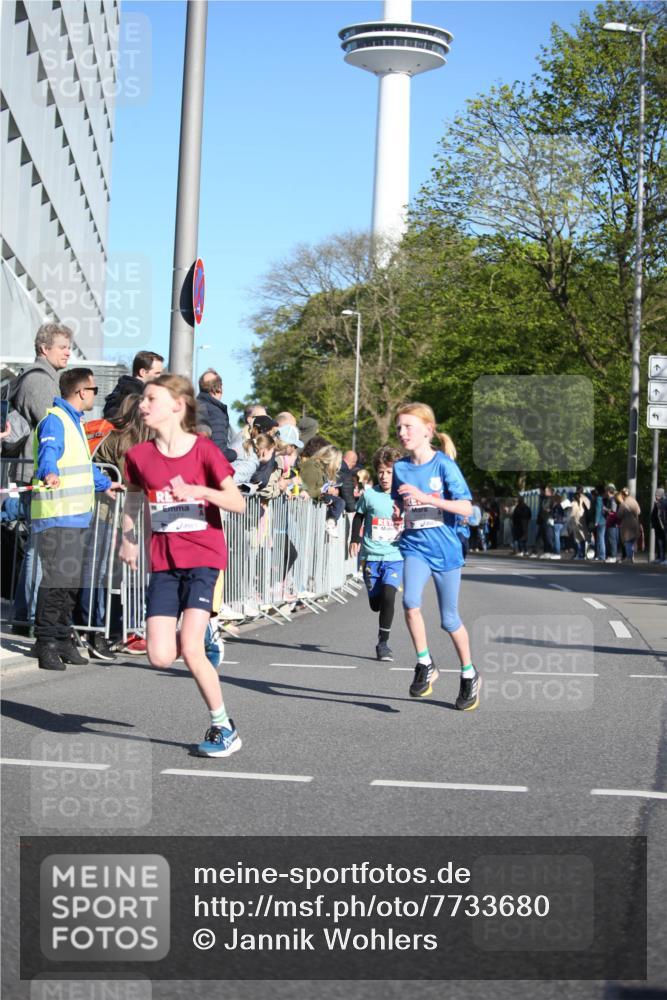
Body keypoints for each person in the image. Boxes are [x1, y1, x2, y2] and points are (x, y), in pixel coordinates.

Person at [119, 373, 246, 758]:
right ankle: (204, 636)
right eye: (142, 399)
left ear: (177, 405)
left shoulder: (204, 450)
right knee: (159, 656)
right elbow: (133, 500)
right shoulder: (138, 456)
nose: (142, 404)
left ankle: (223, 726)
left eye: (150, 398)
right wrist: (128, 539)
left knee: (189, 648)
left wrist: (201, 491)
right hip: (163, 562)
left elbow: (237, 502)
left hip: (203, 557)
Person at [31, 368, 123, 671]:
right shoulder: (55, 421)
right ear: (82, 392)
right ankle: (45, 642)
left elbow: (82, 466)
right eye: (94, 390)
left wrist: (104, 484)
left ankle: (62, 637)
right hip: (57, 515)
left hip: (76, 516)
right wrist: (49, 471)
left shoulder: (73, 423)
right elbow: (49, 452)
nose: (95, 395)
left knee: (70, 584)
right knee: (57, 583)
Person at [391, 403, 480, 711]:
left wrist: (428, 498)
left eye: (408, 427)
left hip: (446, 550)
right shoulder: (400, 468)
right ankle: (425, 663)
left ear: (428, 430)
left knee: (449, 620)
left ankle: (469, 674)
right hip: (415, 546)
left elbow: (467, 508)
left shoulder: (443, 465)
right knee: (410, 602)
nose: (402, 432)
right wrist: (398, 511)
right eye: (399, 427)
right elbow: (400, 504)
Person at [9, 322, 73, 634]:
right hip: (39, 475)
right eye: (62, 346)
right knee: (40, 548)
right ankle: (30, 616)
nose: (68, 352)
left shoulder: (47, 378)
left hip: (39, 474)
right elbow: (54, 421)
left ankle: (26, 615)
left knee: (37, 547)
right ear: (44, 349)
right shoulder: (40, 380)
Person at [349, 446, 403, 661]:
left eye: (389, 472)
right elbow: (359, 517)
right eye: (381, 471)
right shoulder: (370, 495)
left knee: (390, 595)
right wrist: (355, 539)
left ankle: (383, 644)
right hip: (371, 556)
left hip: (395, 556)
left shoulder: (403, 496)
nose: (385, 476)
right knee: (376, 604)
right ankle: (375, 597)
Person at [103, 351, 164, 419]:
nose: (160, 377)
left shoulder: (121, 391)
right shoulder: (135, 398)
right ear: (142, 372)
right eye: (157, 373)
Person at [196, 369, 236, 462]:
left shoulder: (195, 406)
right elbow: (219, 453)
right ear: (219, 388)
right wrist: (235, 453)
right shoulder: (215, 412)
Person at [617, 488, 641, 564]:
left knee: (627, 542)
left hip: (626, 526)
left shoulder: (624, 504)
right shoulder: (634, 501)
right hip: (635, 524)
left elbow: (619, 515)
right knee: (632, 542)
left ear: (623, 495)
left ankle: (629, 558)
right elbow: (639, 512)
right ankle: (632, 557)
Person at [651, 488, 666, 563]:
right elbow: (654, 515)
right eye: (656, 495)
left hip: (662, 526)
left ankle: (663, 558)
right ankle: (660, 557)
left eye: (657, 495)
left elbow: (661, 515)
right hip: (658, 525)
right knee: (659, 542)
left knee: (662, 542)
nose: (656, 496)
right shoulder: (657, 503)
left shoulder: (663, 502)